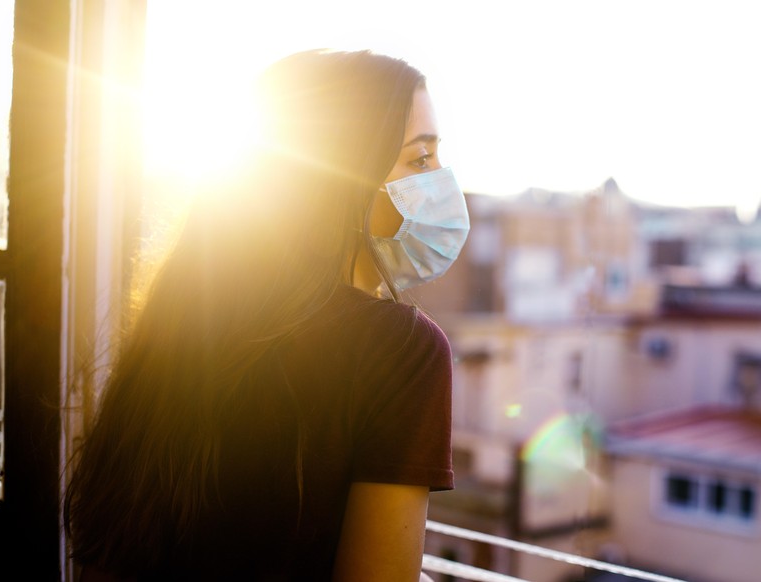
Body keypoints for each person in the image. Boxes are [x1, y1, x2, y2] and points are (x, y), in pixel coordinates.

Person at [63, 48, 470, 581]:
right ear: (340, 179)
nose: (444, 180)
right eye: (420, 159)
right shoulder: (402, 350)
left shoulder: (184, 321)